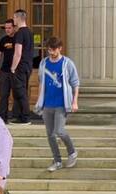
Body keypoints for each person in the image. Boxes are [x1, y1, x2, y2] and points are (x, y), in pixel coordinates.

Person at [34, 37, 80, 172]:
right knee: (50, 134)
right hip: (48, 103)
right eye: (49, 50)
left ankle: (72, 152)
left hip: (61, 103)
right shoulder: (43, 63)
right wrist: (39, 101)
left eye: (53, 49)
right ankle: (57, 160)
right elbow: (41, 82)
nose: (51, 52)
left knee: (59, 130)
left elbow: (75, 83)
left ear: (60, 48)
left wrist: (75, 101)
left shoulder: (67, 63)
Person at [4, 10, 36, 124]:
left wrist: (13, 68)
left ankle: (25, 117)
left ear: (18, 18)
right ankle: (19, 116)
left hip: (20, 66)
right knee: (21, 91)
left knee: (20, 92)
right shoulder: (29, 32)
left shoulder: (19, 33)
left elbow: (18, 53)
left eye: (14, 18)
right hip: (28, 66)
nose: (13, 20)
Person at [0, 19, 19, 122]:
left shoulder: (18, 39)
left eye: (9, 28)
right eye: (6, 28)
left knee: (17, 95)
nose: (7, 30)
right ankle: (2, 117)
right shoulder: (3, 40)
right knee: (3, 95)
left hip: (16, 71)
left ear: (14, 28)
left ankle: (16, 117)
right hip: (4, 71)